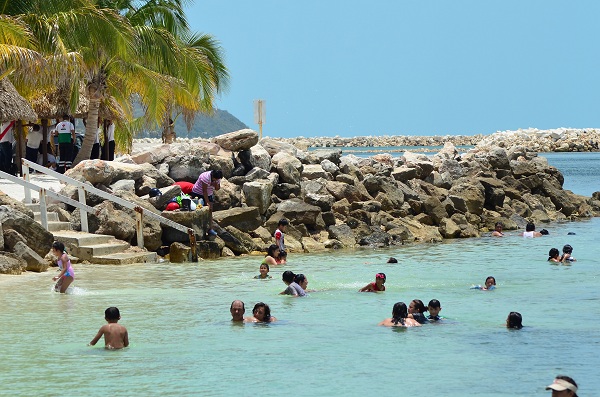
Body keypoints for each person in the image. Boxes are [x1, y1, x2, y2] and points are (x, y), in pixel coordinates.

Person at [191, 169, 223, 237]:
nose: (216, 180)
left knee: (210, 210)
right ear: (212, 175)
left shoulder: (217, 177)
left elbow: (217, 188)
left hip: (209, 194)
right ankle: (198, 229)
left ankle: (210, 229)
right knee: (198, 209)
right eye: (215, 179)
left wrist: (215, 184)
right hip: (198, 192)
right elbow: (204, 191)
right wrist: (207, 202)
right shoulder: (205, 177)